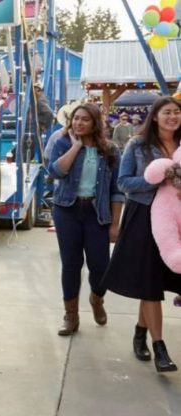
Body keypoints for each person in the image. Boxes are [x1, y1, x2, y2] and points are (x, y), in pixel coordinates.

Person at [102, 96, 181, 373]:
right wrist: (158, 179)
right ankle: (159, 347)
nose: (173, 117)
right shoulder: (137, 145)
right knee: (149, 283)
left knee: (158, 279)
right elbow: (124, 183)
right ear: (155, 116)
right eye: (167, 112)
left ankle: (139, 331)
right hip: (144, 218)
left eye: (177, 112)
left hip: (176, 220)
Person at [46, 103, 123, 336]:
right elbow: (55, 172)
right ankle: (71, 315)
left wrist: (115, 224)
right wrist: (76, 146)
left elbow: (116, 190)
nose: (79, 123)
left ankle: (96, 299)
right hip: (67, 210)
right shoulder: (62, 142)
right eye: (76, 118)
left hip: (96, 213)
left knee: (100, 265)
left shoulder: (110, 150)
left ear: (95, 123)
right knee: (71, 264)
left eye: (85, 119)